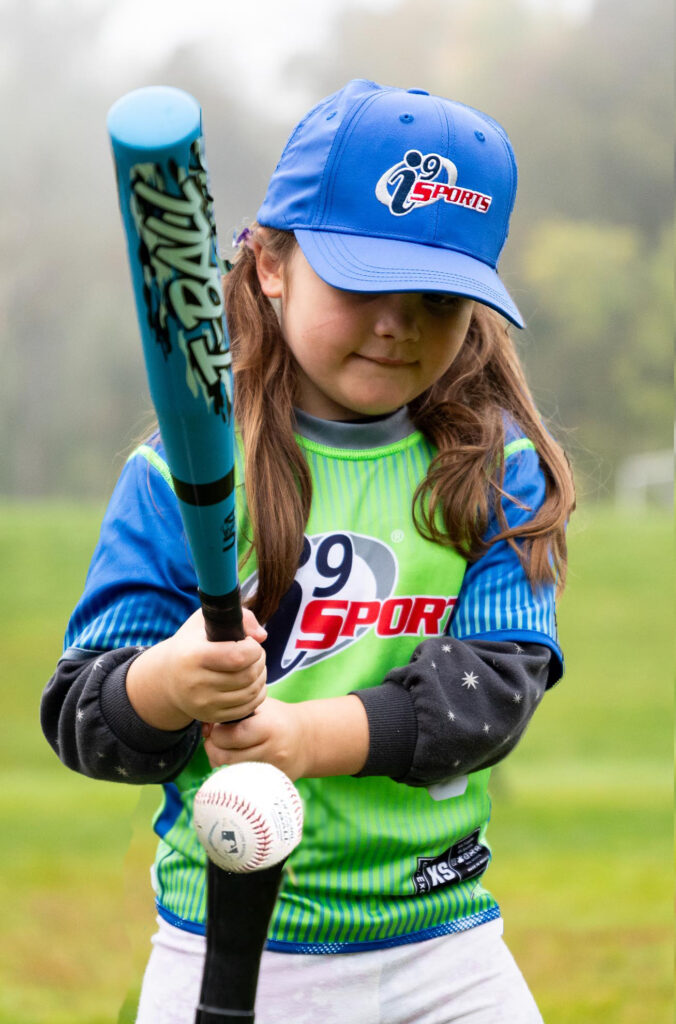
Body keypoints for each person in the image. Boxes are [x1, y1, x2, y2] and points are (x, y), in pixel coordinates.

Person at [41, 79, 575, 1024]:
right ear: (274, 263)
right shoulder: (178, 476)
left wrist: (301, 739)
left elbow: (492, 693)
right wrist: (168, 683)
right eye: (365, 284)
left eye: (437, 299)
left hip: (443, 947)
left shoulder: (494, 471)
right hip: (224, 946)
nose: (397, 324)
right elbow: (85, 716)